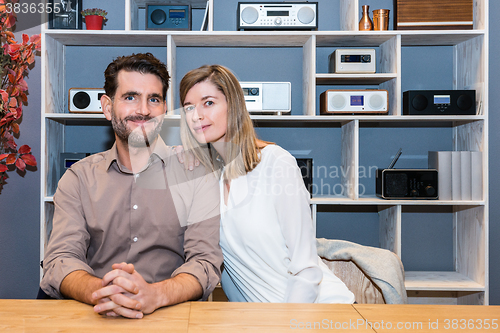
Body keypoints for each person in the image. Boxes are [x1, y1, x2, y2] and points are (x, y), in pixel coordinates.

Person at [39, 53, 222, 319]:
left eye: (154, 99)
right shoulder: (78, 178)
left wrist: (155, 295)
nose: (144, 110)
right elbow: (60, 260)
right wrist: (103, 291)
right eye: (130, 97)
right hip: (95, 314)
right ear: (107, 107)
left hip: (171, 316)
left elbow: (205, 263)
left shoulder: (196, 175)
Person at [178, 64, 355, 303]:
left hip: (317, 312)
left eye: (208, 103)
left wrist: (289, 325)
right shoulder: (210, 179)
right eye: (189, 107)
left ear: (233, 105)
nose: (196, 115)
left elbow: (305, 267)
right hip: (262, 319)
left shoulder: (275, 163)